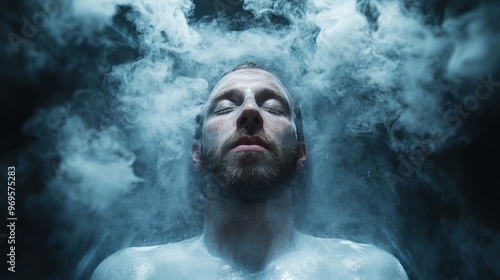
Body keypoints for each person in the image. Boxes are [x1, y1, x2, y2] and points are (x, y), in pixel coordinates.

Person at [92, 62, 408, 279]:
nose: (250, 112)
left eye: (272, 107)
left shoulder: (367, 272)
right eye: (225, 107)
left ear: (301, 153)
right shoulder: (132, 273)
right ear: (197, 153)